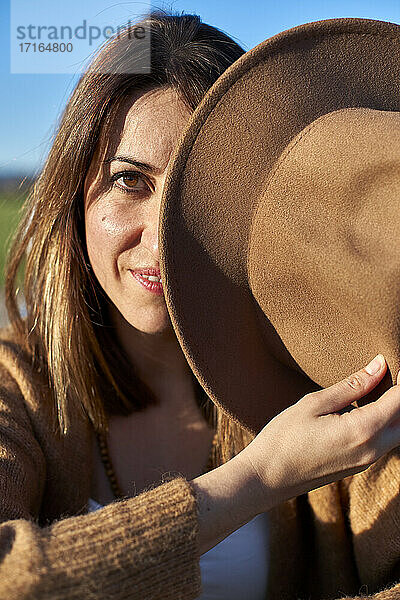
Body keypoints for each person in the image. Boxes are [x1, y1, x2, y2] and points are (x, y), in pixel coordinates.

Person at [1, 10, 400, 600]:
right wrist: (262, 477)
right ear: (73, 196)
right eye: (131, 181)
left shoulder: (328, 376)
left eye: (203, 195)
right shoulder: (18, 383)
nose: (162, 240)